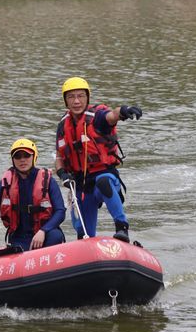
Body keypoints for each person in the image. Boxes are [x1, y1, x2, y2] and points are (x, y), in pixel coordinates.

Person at [55, 77, 142, 243]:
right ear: (66, 101)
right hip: (81, 183)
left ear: (87, 98)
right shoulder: (62, 125)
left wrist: (124, 111)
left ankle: (122, 227)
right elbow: (59, 157)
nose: (76, 101)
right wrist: (62, 173)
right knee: (83, 233)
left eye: (80, 96)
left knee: (103, 181)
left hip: (104, 176)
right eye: (71, 97)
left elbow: (111, 116)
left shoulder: (97, 117)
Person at [0, 138, 66, 252]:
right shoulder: (6, 183)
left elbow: (60, 211)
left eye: (26, 155)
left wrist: (43, 231)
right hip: (19, 237)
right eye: (18, 156)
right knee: (14, 250)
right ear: (13, 160)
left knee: (55, 236)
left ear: (34, 157)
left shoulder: (47, 181)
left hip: (45, 234)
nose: (22, 160)